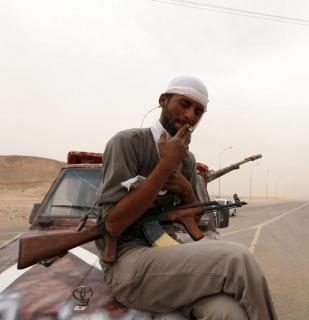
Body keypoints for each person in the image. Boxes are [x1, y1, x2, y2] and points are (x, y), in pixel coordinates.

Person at [96, 76, 278, 320]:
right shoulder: (128, 143)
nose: (191, 115)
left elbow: (195, 219)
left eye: (198, 111)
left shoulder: (187, 160)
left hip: (168, 258)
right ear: (163, 100)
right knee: (238, 259)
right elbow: (112, 224)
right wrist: (165, 167)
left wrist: (185, 189)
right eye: (184, 104)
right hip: (127, 263)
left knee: (228, 312)